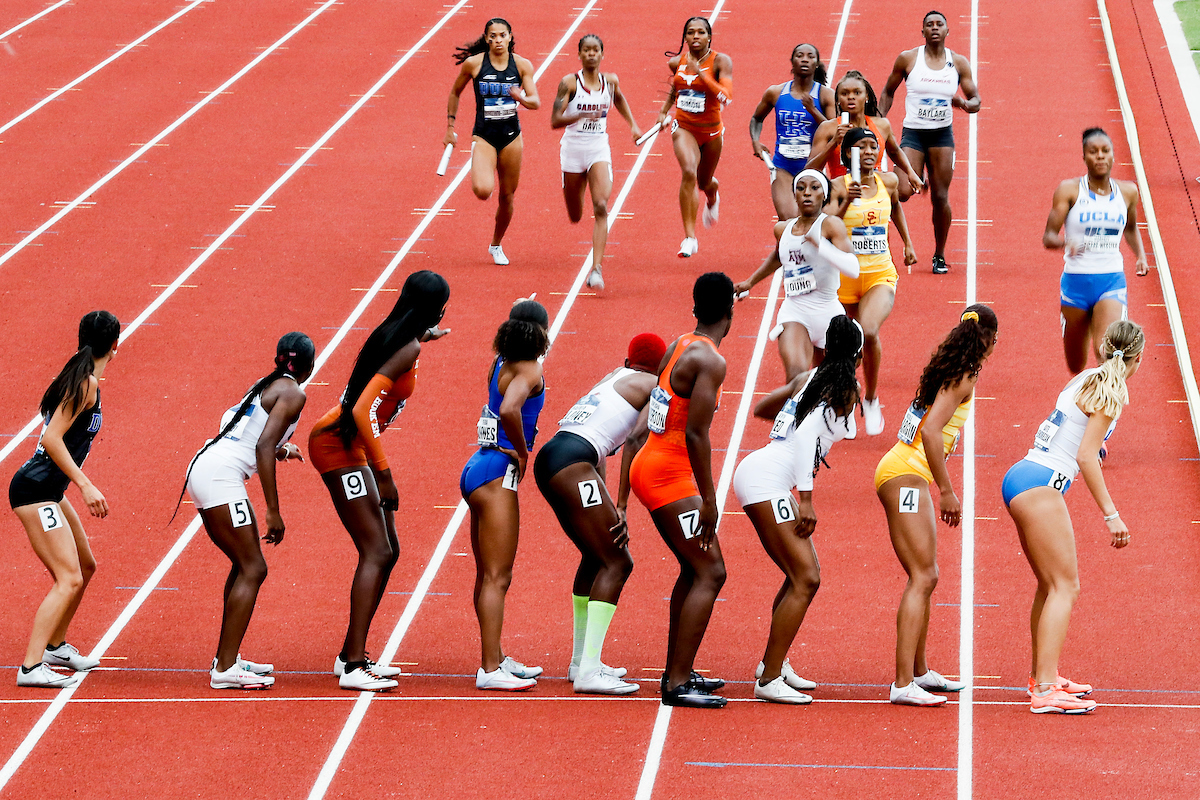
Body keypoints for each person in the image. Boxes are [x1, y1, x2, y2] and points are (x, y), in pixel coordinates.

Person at [309, 271, 451, 692]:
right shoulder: (404, 345)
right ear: (432, 308)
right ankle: (353, 665)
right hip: (339, 447)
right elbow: (362, 411)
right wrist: (383, 475)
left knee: (389, 550)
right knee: (376, 549)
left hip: (352, 447)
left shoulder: (401, 334)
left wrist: (426, 336)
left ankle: (350, 653)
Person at [1002, 320, 1143, 714]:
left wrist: (1092, 451)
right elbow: (1084, 455)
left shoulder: (1085, 378)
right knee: (1067, 587)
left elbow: (1075, 435)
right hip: (1043, 485)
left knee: (1049, 587)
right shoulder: (1112, 392)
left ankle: (1043, 675)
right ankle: (1045, 690)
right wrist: (1110, 514)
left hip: (1023, 474)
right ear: (1138, 360)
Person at [732, 315, 863, 704]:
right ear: (856, 355)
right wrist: (806, 500)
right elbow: (806, 437)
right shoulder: (842, 387)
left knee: (798, 576)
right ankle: (769, 677)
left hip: (761, 470)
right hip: (768, 482)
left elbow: (763, 408)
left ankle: (773, 662)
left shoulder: (810, 379)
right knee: (807, 578)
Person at [620, 273, 735, 708]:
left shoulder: (680, 343)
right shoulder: (711, 361)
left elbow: (648, 418)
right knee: (712, 571)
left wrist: (624, 492)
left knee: (695, 569)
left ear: (695, 308)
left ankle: (677, 671)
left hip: (652, 462)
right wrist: (709, 500)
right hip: (668, 472)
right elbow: (698, 435)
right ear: (730, 312)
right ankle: (677, 681)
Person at [873, 305, 997, 706]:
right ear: (990, 340)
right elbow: (929, 432)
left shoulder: (949, 368)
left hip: (907, 471)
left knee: (927, 575)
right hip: (906, 474)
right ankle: (902, 682)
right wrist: (947, 489)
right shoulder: (965, 376)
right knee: (923, 577)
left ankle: (920, 671)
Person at [534, 333, 667, 695]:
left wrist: (607, 500)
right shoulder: (654, 384)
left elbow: (600, 448)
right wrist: (621, 505)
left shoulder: (614, 377)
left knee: (596, 557)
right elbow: (638, 440)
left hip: (556, 455)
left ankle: (581, 662)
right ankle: (590, 670)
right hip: (574, 463)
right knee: (618, 562)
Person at [184, 333, 315, 690]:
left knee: (244, 564)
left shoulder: (265, 384)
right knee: (254, 567)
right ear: (308, 366)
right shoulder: (294, 392)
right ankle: (225, 668)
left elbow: (247, 433)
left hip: (206, 468)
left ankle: (228, 656)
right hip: (221, 476)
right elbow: (262, 445)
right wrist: (273, 510)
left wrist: (283, 452)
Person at [11, 311, 120, 688]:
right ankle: (30, 667)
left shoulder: (79, 375)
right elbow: (51, 440)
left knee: (85, 567)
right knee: (69, 578)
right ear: (115, 346)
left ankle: (56, 646)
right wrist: (86, 486)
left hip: (50, 491)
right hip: (35, 491)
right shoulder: (86, 382)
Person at [462, 299, 550, 691]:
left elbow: (498, 402)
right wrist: (522, 449)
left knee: (486, 575)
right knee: (498, 576)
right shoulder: (530, 369)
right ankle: (489, 669)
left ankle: (495, 656)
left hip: (477, 467)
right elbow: (512, 409)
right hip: (498, 474)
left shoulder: (500, 362)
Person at [828, 128, 917, 435]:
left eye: (873, 146)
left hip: (879, 272)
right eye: (861, 146)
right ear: (848, 153)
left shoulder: (888, 181)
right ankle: (846, 402)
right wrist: (845, 203)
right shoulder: (838, 185)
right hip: (843, 276)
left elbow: (895, 209)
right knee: (844, 345)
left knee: (867, 331)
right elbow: (827, 226)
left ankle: (871, 398)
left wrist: (907, 243)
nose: (868, 151)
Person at [879, 10, 981, 274]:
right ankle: (918, 174)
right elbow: (888, 91)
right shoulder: (908, 59)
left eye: (939, 24)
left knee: (940, 196)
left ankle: (939, 254)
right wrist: (878, 121)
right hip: (913, 132)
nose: (934, 28)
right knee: (901, 191)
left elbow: (976, 100)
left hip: (941, 136)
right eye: (929, 25)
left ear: (948, 31)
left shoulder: (958, 63)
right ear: (922, 31)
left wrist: (964, 104)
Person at [734, 169, 858, 382]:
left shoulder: (830, 225)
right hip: (795, 310)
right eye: (801, 189)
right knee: (796, 377)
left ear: (824, 194)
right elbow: (779, 256)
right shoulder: (783, 229)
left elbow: (853, 268)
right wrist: (750, 282)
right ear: (795, 195)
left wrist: (821, 246)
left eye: (814, 188)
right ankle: (793, 414)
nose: (807, 193)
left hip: (828, 312)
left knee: (827, 383)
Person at [1043, 128, 1149, 374]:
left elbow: (1131, 228)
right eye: (1094, 152)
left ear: (1113, 155)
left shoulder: (1128, 192)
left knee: (1107, 355)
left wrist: (1141, 256)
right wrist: (1065, 244)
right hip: (1076, 283)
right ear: (1084, 157)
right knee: (1076, 365)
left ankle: (1102, 408)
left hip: (1111, 279)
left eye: (1105, 151)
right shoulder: (1069, 190)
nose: (1100, 156)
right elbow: (1048, 236)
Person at [550, 34, 643, 290]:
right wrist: (579, 114)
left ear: (602, 54)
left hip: (598, 147)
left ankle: (597, 268)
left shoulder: (610, 82)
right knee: (575, 214)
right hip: (572, 149)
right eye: (586, 50)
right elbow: (555, 120)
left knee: (601, 206)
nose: (591, 54)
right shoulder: (569, 83)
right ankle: (574, 194)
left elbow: (619, 99)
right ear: (579, 55)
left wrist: (633, 125)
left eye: (595, 50)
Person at [445, 18, 540, 266]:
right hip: (484, 135)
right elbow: (455, 92)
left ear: (510, 37)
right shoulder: (474, 64)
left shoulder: (522, 65)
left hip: (511, 137)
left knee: (507, 196)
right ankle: (480, 165)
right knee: (483, 190)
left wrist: (521, 97)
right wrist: (450, 127)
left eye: (502, 35)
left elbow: (536, 102)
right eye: (493, 36)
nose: (498, 40)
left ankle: (496, 245)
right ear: (487, 38)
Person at [655, 17, 733, 258]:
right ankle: (689, 237)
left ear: (709, 37)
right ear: (685, 38)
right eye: (691, 32)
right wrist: (663, 111)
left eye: (701, 32)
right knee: (689, 171)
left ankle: (712, 193)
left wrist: (702, 73)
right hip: (684, 127)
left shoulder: (720, 61)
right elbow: (676, 88)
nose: (696, 36)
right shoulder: (676, 62)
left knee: (704, 182)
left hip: (711, 131)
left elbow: (727, 98)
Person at [749, 43, 836, 220]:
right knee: (789, 221)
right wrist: (756, 141)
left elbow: (832, 131)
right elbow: (756, 119)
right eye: (800, 55)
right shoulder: (775, 92)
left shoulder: (825, 95)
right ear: (792, 61)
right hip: (783, 167)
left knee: (810, 222)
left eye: (810, 56)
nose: (805, 59)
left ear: (817, 63)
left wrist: (813, 110)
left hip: (813, 166)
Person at [807, 71, 922, 199]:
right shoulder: (828, 128)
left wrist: (910, 172)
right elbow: (810, 169)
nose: (851, 97)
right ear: (838, 99)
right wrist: (834, 142)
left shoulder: (881, 125)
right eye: (844, 93)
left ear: (866, 96)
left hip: (874, 197)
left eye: (857, 92)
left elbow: (895, 151)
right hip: (841, 197)